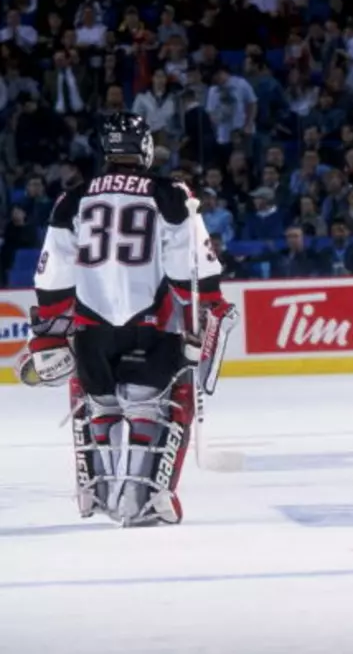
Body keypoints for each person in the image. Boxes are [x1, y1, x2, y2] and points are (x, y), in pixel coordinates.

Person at [15, 112, 237, 527]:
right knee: (151, 406)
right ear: (145, 148)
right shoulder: (171, 194)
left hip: (91, 327)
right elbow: (188, 267)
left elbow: (52, 273)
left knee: (101, 407)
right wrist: (205, 307)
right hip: (152, 324)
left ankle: (99, 491)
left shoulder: (73, 199)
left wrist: (48, 326)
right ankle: (144, 497)